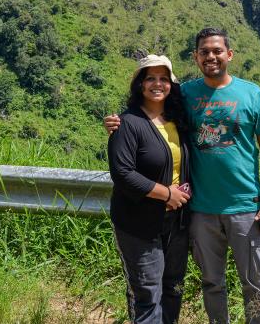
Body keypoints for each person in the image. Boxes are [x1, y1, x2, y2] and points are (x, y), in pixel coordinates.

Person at [107, 28, 260, 324]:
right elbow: (149, 109)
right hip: (200, 211)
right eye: (204, 52)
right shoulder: (185, 93)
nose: (211, 56)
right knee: (212, 284)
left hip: (245, 208)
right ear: (196, 57)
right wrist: (117, 122)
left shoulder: (251, 93)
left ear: (229, 54)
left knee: (255, 286)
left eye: (216, 51)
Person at [108, 54, 192, 324]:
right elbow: (122, 174)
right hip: (139, 224)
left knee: (173, 289)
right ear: (140, 85)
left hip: (176, 223)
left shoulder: (179, 120)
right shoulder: (127, 124)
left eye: (164, 79)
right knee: (147, 294)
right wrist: (167, 193)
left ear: (171, 85)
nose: (158, 84)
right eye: (150, 78)